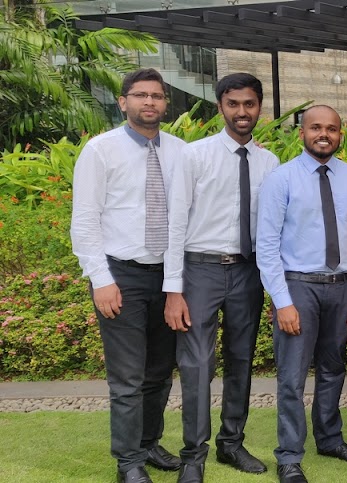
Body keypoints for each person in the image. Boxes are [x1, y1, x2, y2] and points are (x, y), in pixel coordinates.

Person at [70, 68, 185, 483]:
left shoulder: (181, 152)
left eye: (157, 96)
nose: (149, 102)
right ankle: (128, 462)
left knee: (160, 371)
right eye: (140, 95)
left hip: (169, 276)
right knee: (128, 377)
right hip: (121, 276)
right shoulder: (100, 151)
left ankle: (149, 443)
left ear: (165, 103)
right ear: (123, 102)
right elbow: (85, 219)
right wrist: (101, 279)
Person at [162, 73, 278, 482]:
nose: (242, 112)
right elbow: (176, 224)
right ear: (220, 107)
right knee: (196, 364)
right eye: (233, 104)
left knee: (241, 359)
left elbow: (272, 227)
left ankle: (232, 443)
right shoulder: (194, 156)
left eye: (249, 104)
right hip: (200, 270)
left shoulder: (269, 162)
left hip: (248, 271)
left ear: (259, 107)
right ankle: (193, 456)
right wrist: (173, 288)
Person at [256, 105, 347, 483]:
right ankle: (289, 455)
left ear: (341, 134)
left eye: (332, 129)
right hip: (298, 287)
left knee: (333, 369)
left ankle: (330, 439)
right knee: (292, 377)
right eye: (316, 128)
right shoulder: (281, 179)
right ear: (302, 133)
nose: (324, 134)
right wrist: (282, 301)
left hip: (342, 287)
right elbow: (266, 245)